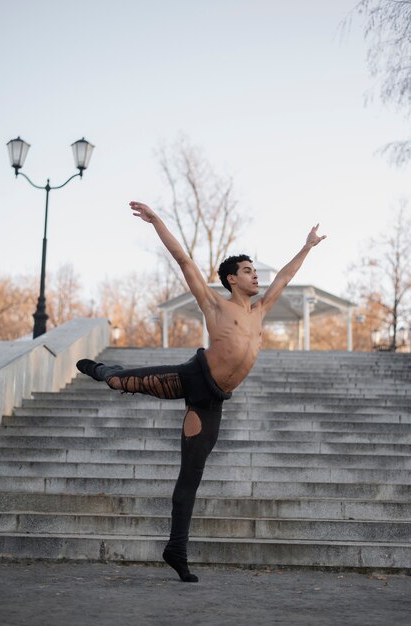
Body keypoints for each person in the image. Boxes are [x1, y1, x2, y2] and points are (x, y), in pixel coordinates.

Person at [76, 201, 326, 582]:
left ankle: (176, 549)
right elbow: (183, 259)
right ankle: (105, 371)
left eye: (255, 271)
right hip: (193, 376)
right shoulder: (214, 305)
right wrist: (157, 221)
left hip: (211, 401)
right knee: (121, 382)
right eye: (247, 271)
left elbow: (285, 279)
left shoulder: (260, 311)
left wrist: (307, 246)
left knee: (190, 474)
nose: (255, 277)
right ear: (230, 280)